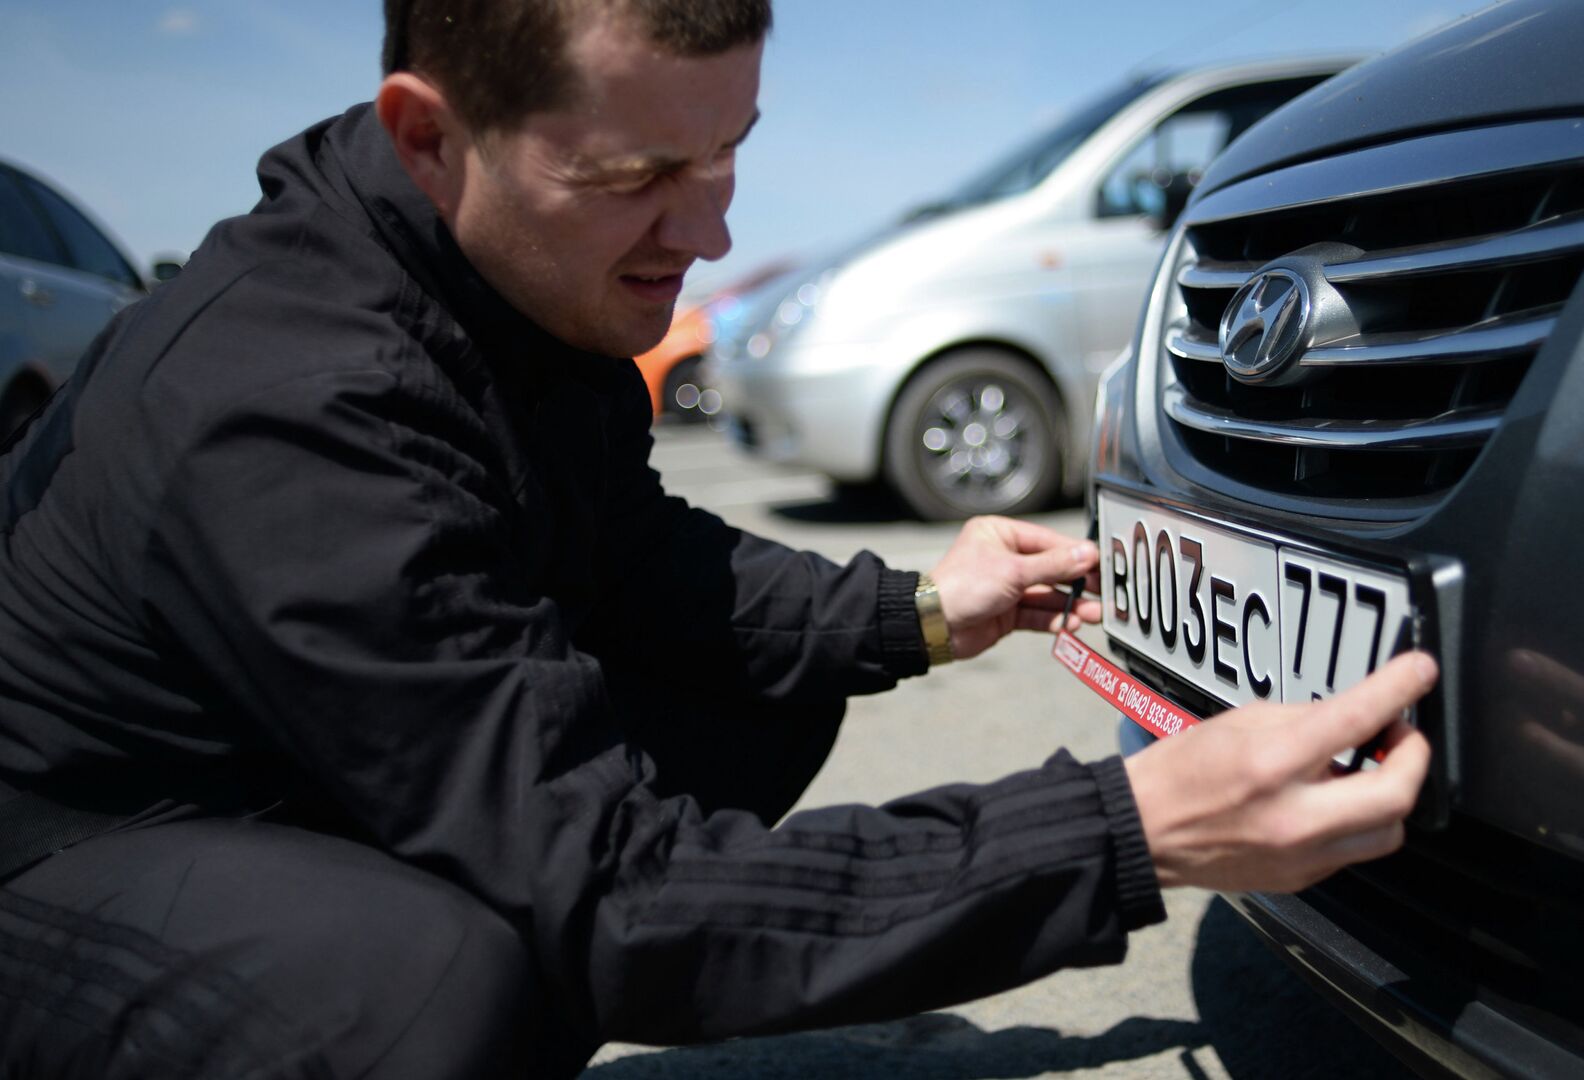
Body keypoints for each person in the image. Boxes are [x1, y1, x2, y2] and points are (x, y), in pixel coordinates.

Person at [0, 1, 1435, 1076]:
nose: (705, 230)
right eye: (634, 174)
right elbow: (614, 888)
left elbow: (643, 561)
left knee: (769, 679)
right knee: (428, 983)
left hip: (296, 759)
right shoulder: (294, 403)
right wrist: (1136, 830)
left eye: (729, 153)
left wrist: (925, 612)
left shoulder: (502, 267)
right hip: (70, 859)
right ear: (428, 134)